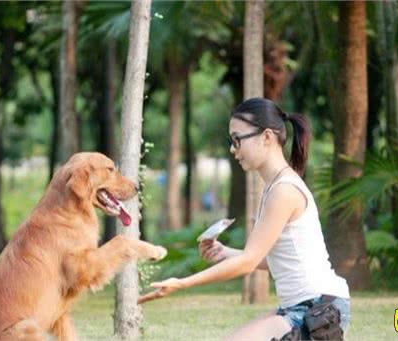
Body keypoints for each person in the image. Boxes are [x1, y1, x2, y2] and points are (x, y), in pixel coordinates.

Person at [139, 98, 350, 340]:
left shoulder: (284, 190)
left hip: (319, 311)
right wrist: (226, 253)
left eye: (237, 139)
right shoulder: (274, 187)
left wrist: (183, 283)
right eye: (231, 141)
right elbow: (281, 261)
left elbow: (249, 262)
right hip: (308, 307)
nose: (232, 149)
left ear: (267, 137)